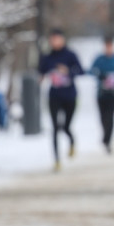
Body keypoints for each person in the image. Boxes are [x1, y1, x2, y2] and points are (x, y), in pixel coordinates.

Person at [37, 28, 83, 170]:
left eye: (57, 39)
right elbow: (41, 71)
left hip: (70, 96)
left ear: (62, 39)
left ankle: (72, 141)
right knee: (55, 128)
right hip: (54, 96)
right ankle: (56, 160)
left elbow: (81, 71)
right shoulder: (47, 57)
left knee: (66, 126)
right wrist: (41, 77)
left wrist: (68, 71)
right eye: (52, 39)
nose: (55, 42)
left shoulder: (70, 55)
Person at [89, 35, 114, 153]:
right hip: (101, 93)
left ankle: (107, 140)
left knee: (111, 116)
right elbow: (91, 71)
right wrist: (100, 75)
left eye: (110, 46)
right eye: (107, 46)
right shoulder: (99, 59)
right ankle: (106, 135)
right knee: (102, 117)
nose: (108, 48)